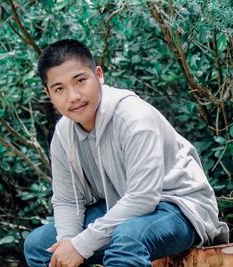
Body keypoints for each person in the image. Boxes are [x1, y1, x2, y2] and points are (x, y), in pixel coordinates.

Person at [23, 39, 229, 267]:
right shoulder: (64, 134)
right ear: (49, 94)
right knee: (40, 245)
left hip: (179, 208)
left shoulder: (133, 117)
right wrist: (68, 242)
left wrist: (82, 245)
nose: (73, 96)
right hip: (119, 206)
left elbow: (143, 198)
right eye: (59, 89)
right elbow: (67, 200)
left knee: (128, 240)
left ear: (98, 75)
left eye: (80, 81)